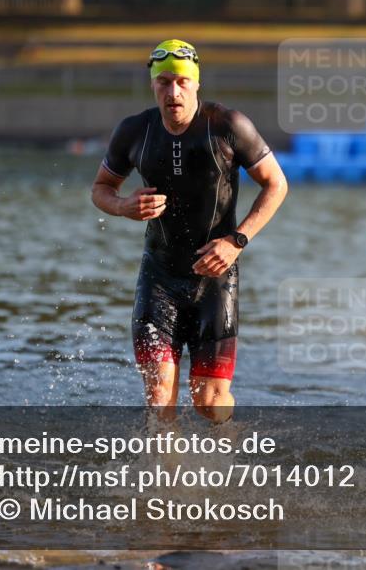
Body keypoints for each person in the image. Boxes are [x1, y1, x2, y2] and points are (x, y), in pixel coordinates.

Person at [91, 40, 287, 423]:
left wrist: (236, 241)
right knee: (160, 394)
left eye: (182, 82)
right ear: (153, 86)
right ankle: (169, 481)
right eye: (163, 82)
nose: (173, 92)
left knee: (209, 403)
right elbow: (101, 188)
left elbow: (276, 184)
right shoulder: (135, 131)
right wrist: (122, 206)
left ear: (196, 84)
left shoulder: (228, 126)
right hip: (159, 276)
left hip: (214, 279)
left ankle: (231, 449)